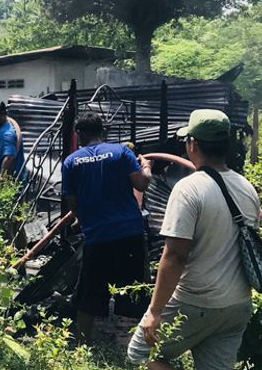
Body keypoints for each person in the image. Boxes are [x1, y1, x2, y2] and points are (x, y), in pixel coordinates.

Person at [127, 109, 259, 370]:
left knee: (139, 357)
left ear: (193, 144)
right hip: (237, 306)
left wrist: (154, 312)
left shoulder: (188, 189)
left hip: (195, 300)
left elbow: (176, 256)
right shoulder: (247, 187)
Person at [61, 112, 152, 343]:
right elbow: (141, 183)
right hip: (129, 232)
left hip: (97, 237)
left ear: (80, 133)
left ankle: (82, 343)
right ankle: (134, 344)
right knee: (134, 288)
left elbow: (72, 203)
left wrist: (88, 218)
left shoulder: (71, 162)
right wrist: (147, 167)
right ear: (102, 131)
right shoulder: (121, 152)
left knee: (89, 291)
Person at [0, 96, 26, 183]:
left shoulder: (6, 133)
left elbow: (9, 158)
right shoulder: (1, 130)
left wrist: (0, 181)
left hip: (4, 189)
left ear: (2, 115)